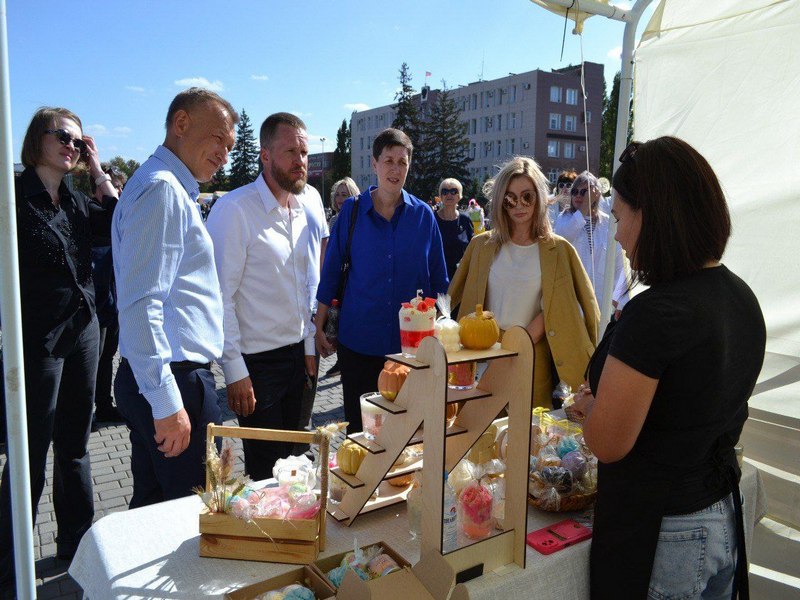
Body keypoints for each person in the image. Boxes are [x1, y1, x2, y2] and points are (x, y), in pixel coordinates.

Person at [573, 137, 766, 598]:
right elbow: (690, 404)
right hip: (720, 512)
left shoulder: (657, 314)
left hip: (666, 530)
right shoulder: (740, 297)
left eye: (620, 217)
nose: (616, 233)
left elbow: (607, 442)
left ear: (654, 216)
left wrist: (593, 410)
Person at [0, 107, 118, 588]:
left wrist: (97, 169)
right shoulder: (13, 196)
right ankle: (11, 564)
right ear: (37, 140)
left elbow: (115, 223)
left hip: (83, 333)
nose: (71, 145)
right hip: (37, 339)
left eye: (79, 140)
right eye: (63, 137)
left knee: (75, 446)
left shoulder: (72, 198)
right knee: (28, 450)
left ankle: (76, 546)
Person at [112, 88, 238, 508]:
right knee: (193, 514)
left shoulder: (164, 186)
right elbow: (140, 304)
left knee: (152, 510)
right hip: (173, 378)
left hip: (165, 375)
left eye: (231, 146)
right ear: (181, 124)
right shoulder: (162, 190)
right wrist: (167, 402)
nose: (225, 153)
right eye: (218, 139)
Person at [206, 112, 328, 479]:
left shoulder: (304, 208)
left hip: (300, 361)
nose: (300, 161)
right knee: (265, 474)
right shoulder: (235, 210)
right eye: (290, 151)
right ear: (265, 155)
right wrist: (234, 369)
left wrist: (308, 347)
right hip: (257, 367)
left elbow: (309, 284)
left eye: (304, 152)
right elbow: (220, 297)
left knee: (296, 465)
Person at [315, 128, 448, 433]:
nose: (395, 169)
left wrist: (442, 338)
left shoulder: (423, 216)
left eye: (402, 162)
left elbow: (439, 283)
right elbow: (332, 272)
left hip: (410, 351)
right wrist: (319, 325)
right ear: (374, 164)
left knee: (408, 433)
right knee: (362, 435)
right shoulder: (351, 212)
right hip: (359, 344)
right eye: (388, 160)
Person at [448, 157, 599, 407]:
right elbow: (452, 298)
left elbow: (584, 308)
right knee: (477, 434)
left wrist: (520, 342)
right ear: (500, 201)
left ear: (539, 198)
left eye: (527, 196)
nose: (519, 205)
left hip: (531, 357)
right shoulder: (481, 246)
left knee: (529, 437)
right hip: (484, 356)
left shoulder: (559, 250)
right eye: (510, 198)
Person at [89, 165, 127, 426]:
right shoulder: (90, 214)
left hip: (113, 306)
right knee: (94, 362)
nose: (118, 192)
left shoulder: (117, 221)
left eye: (120, 187)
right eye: (113, 187)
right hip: (95, 307)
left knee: (106, 359)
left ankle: (103, 405)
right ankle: (87, 406)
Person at [555, 171, 625, 309]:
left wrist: (620, 300)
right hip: (573, 302)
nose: (578, 195)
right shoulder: (565, 218)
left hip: (601, 303)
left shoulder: (608, 223)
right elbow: (565, 236)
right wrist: (585, 206)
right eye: (574, 191)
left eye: (584, 192)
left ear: (596, 194)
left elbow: (618, 264)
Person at [323, 177, 360, 378]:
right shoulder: (334, 218)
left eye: (344, 194)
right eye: (337, 194)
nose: (339, 199)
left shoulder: (351, 217)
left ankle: (343, 360)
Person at [435, 178, 474, 281]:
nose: (449, 195)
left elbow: (472, 249)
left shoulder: (465, 220)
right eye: (445, 191)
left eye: (453, 191)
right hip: (437, 276)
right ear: (440, 196)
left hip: (460, 277)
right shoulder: (432, 220)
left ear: (459, 196)